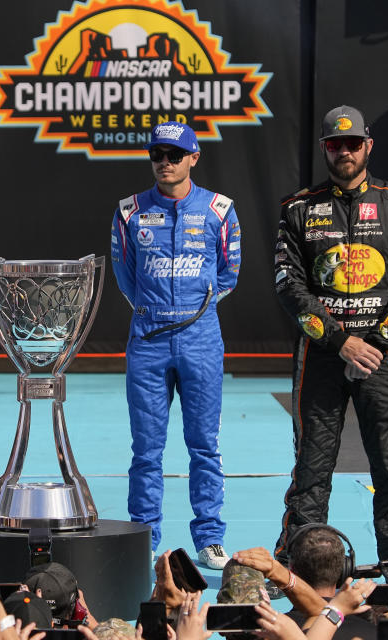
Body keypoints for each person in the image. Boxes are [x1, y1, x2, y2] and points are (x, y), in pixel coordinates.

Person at [273, 105, 388, 563]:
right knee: (311, 468)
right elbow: (288, 285)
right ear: (324, 148)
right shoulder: (297, 208)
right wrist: (342, 342)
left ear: (368, 146)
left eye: (352, 144)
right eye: (335, 144)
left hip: (384, 358)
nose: (344, 151)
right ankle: (299, 563)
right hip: (322, 357)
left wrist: (375, 344)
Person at [110, 121, 241, 570]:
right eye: (157, 154)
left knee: (204, 444)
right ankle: (144, 533)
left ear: (193, 157)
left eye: (174, 154)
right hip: (147, 339)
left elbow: (229, 273)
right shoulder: (128, 210)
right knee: (146, 448)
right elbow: (124, 274)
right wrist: (156, 311)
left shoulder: (220, 210)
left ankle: (209, 536)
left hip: (201, 339)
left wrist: (191, 313)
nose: (164, 162)